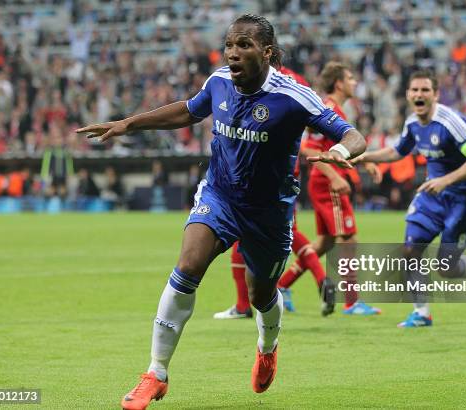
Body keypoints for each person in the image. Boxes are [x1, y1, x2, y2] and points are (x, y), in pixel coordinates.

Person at [77, 14, 366, 410]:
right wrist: (130, 124)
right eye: (230, 44)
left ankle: (268, 345)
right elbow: (188, 110)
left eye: (244, 45)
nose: (233, 53)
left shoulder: (294, 95)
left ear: (266, 52)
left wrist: (339, 151)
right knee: (188, 266)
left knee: (262, 292)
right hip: (220, 196)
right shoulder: (218, 82)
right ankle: (155, 374)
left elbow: (353, 136)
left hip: (268, 212)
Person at [348, 70, 466, 328]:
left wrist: (445, 180)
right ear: (408, 94)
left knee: (447, 267)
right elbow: (398, 151)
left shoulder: (451, 122)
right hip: (431, 197)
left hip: (462, 199)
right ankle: (421, 313)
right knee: (410, 250)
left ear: (436, 94)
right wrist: (365, 157)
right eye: (414, 90)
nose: (419, 94)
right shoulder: (412, 123)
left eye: (425, 90)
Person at [214, 67, 335, 319]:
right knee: (276, 234)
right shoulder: (289, 79)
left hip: (268, 174)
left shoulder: (278, 82)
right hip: (274, 171)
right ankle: (248, 303)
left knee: (276, 233)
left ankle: (247, 305)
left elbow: (312, 125)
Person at [300, 61, 382, 316]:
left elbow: (338, 149)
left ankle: (281, 286)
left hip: (324, 180)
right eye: (350, 78)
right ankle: (352, 301)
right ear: (339, 83)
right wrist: (334, 177)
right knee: (348, 239)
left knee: (324, 242)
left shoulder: (335, 110)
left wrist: (366, 162)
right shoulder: (328, 109)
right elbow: (309, 148)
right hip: (327, 182)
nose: (354, 82)